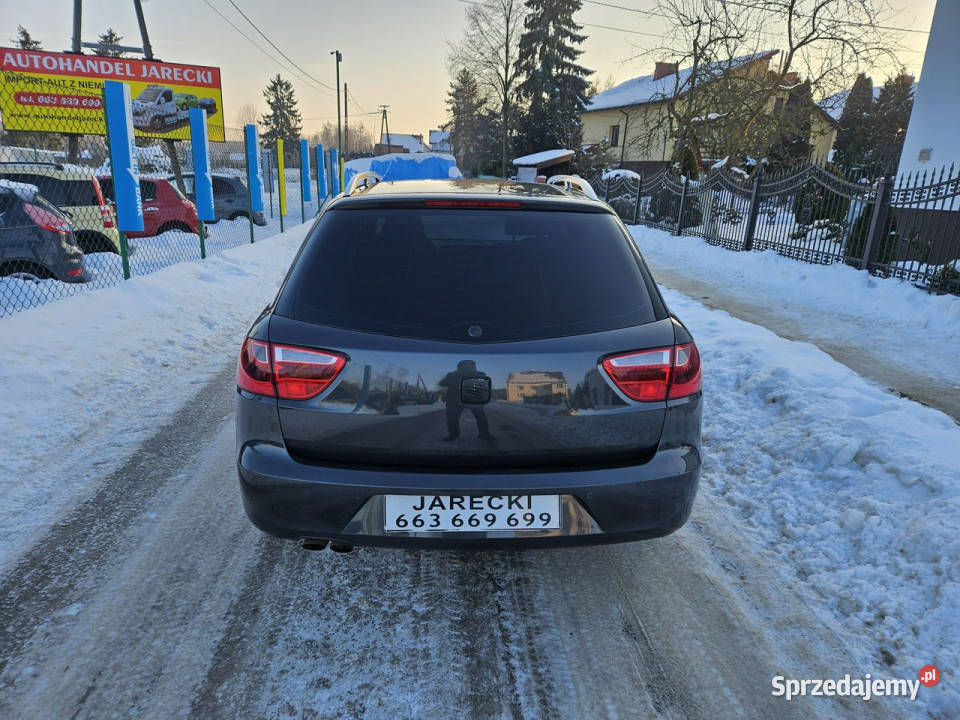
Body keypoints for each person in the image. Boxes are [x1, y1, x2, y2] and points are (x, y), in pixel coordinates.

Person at [438, 359, 492, 441]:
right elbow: (484, 386)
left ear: (458, 367)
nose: (468, 368)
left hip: (458, 400)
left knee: (452, 418)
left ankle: (453, 435)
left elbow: (442, 383)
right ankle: (484, 434)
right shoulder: (480, 374)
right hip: (471, 399)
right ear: (474, 366)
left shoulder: (452, 375)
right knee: (480, 417)